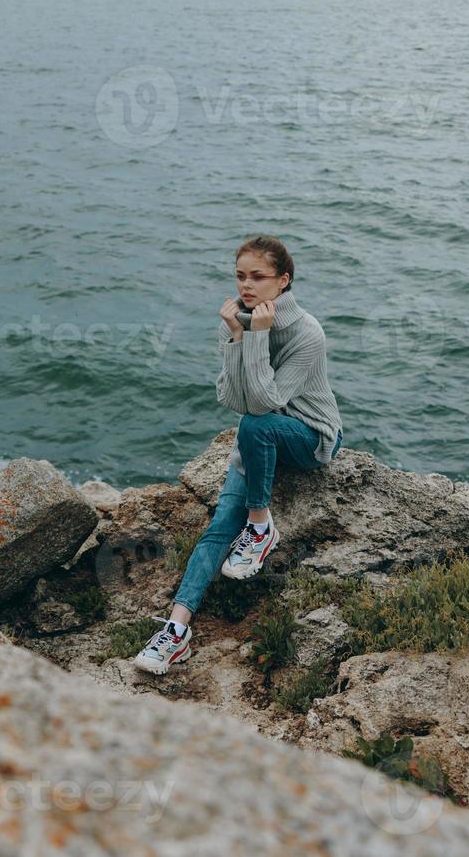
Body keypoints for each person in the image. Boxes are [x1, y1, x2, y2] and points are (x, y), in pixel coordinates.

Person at [134, 234, 343, 675]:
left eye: (259, 277)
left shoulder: (307, 332)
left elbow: (265, 403)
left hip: (309, 437)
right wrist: (236, 337)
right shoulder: (237, 320)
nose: (247, 286)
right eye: (240, 276)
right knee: (217, 530)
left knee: (257, 427)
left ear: (283, 281)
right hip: (259, 438)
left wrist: (257, 337)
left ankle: (261, 527)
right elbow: (231, 397)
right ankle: (175, 632)